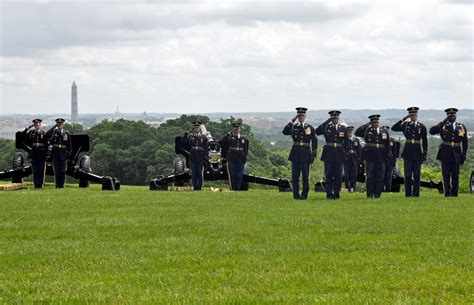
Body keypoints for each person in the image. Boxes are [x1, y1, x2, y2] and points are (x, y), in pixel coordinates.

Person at [429, 108, 468, 197]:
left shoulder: (460, 127)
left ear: (456, 116)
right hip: (445, 153)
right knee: (446, 174)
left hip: (457, 153)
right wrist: (443, 121)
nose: (452, 117)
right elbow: (432, 131)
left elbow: (464, 142)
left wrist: (464, 154)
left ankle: (454, 193)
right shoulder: (443, 126)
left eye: (453, 115)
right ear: (447, 116)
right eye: (450, 115)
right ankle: (447, 191)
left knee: (455, 175)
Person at [391, 107, 428, 197]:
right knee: (407, 175)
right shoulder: (406, 125)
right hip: (408, 152)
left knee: (416, 175)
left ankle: (415, 194)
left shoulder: (421, 126)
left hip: (417, 152)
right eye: (411, 115)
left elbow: (425, 141)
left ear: (417, 115)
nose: (413, 116)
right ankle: (408, 194)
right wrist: (404, 118)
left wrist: (425, 153)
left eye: (414, 114)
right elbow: (394, 128)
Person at [282, 107, 317, 200]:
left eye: (302, 115)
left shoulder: (310, 127)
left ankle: (304, 195)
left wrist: (313, 153)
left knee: (305, 177)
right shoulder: (294, 127)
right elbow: (284, 131)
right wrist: (292, 121)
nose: (301, 117)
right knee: (295, 177)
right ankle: (296, 195)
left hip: (306, 155)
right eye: (299, 115)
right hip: (295, 155)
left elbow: (314, 140)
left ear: (305, 116)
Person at [355, 114, 391, 199]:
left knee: (380, 177)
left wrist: (388, 155)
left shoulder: (384, 131)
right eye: (373, 122)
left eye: (377, 122)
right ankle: (370, 195)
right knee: (370, 177)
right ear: (371, 122)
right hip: (370, 157)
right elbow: (357, 132)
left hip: (381, 157)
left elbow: (387, 145)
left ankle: (377, 195)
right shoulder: (367, 130)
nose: (375, 123)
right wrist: (367, 124)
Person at [315, 110, 346, 199]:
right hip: (329, 154)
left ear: (338, 118)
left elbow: (347, 142)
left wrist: (346, 153)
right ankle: (329, 194)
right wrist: (328, 121)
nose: (335, 118)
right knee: (328, 175)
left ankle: (336, 194)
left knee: (338, 176)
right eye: (333, 117)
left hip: (339, 154)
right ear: (331, 118)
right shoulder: (326, 127)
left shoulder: (343, 128)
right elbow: (317, 131)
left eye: (336, 117)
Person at [219, 122, 249, 191]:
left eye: (238, 128)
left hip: (240, 158)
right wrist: (229, 133)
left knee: (239, 174)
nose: (236, 129)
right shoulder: (229, 137)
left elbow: (245, 148)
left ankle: (237, 188)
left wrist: (245, 157)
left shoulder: (243, 138)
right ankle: (233, 188)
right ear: (233, 129)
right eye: (235, 128)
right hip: (231, 158)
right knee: (232, 174)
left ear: (239, 129)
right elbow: (221, 141)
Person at [182, 121, 208, 191]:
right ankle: (195, 186)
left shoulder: (204, 137)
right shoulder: (191, 136)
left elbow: (206, 148)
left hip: (200, 157)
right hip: (193, 157)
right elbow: (184, 142)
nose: (196, 129)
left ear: (200, 128)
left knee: (199, 173)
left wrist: (205, 157)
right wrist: (186, 134)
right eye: (195, 127)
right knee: (193, 173)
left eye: (198, 127)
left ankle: (199, 186)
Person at [46, 118, 72, 188]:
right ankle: (57, 185)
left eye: (61, 124)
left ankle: (62, 184)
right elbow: (47, 134)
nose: (60, 125)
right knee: (57, 171)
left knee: (62, 171)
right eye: (58, 124)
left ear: (63, 125)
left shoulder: (66, 133)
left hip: (63, 154)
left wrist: (67, 154)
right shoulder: (54, 132)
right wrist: (54, 127)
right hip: (55, 154)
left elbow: (69, 145)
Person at [22, 119, 48, 188]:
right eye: (35, 124)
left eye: (38, 123)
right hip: (34, 154)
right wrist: (28, 127)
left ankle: (40, 184)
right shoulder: (31, 133)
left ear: (40, 124)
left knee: (41, 170)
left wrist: (46, 154)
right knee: (35, 170)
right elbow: (23, 135)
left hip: (41, 154)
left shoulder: (43, 133)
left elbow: (46, 145)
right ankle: (36, 185)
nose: (37, 125)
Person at [382, 126, 400, 192]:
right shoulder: (380, 141)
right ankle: (380, 190)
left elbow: (395, 153)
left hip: (389, 162)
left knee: (388, 178)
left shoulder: (392, 140)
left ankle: (388, 190)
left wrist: (393, 163)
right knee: (381, 177)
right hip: (382, 161)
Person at [343, 126, 361, 192]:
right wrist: (347, 154)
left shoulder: (356, 140)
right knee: (347, 175)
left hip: (354, 160)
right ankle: (347, 188)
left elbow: (359, 150)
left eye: (351, 132)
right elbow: (342, 149)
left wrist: (358, 158)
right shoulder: (344, 140)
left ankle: (353, 188)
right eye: (348, 132)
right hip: (347, 160)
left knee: (354, 175)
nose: (350, 133)